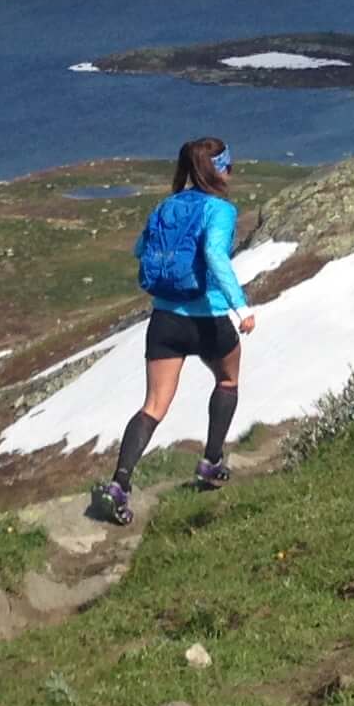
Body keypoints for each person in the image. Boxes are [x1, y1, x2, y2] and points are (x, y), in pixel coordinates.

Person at [89, 136, 253, 524]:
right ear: (219, 168)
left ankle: (119, 485)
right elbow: (214, 255)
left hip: (165, 320)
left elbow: (139, 250)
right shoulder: (220, 209)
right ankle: (211, 461)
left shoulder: (166, 206)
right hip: (208, 317)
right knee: (227, 380)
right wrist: (241, 307)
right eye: (228, 164)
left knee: (154, 406)